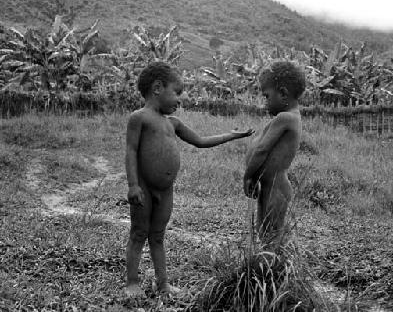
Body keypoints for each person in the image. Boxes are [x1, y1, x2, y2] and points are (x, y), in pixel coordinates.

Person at [124, 61, 254, 297]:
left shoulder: (173, 123)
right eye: (177, 93)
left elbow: (200, 141)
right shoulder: (139, 118)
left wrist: (232, 135)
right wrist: (133, 185)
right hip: (143, 187)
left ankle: (163, 284)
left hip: (166, 191)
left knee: (158, 236)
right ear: (157, 88)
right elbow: (131, 150)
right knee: (138, 233)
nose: (179, 100)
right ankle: (132, 283)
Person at [243, 60, 305, 250]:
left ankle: (274, 271)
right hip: (268, 186)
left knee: (272, 237)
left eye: (267, 96)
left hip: (276, 188)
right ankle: (268, 269)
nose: (265, 101)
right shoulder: (288, 117)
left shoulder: (285, 118)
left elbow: (262, 150)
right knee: (265, 234)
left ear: (283, 93)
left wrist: (248, 176)